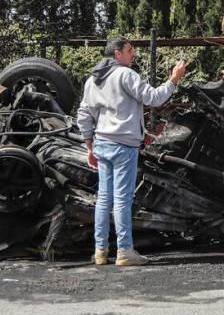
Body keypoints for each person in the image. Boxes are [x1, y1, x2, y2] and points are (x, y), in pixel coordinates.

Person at [76, 38, 186, 266]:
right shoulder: (126, 75)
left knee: (104, 199)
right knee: (122, 199)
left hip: (102, 143)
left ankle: (100, 252)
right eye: (129, 51)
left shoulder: (92, 80)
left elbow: (84, 115)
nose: (132, 55)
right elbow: (154, 98)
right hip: (123, 146)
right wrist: (174, 79)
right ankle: (125, 251)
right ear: (117, 54)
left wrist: (89, 147)